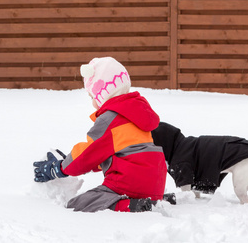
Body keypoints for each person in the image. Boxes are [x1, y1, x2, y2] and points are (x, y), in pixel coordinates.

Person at [33, 57, 168, 212]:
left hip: (129, 183)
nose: (92, 102)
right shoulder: (137, 114)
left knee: (81, 202)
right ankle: (151, 201)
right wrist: (70, 161)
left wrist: (59, 168)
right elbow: (116, 154)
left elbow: (86, 155)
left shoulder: (109, 120)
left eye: (92, 97)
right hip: (155, 183)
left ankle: (128, 206)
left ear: (102, 94)